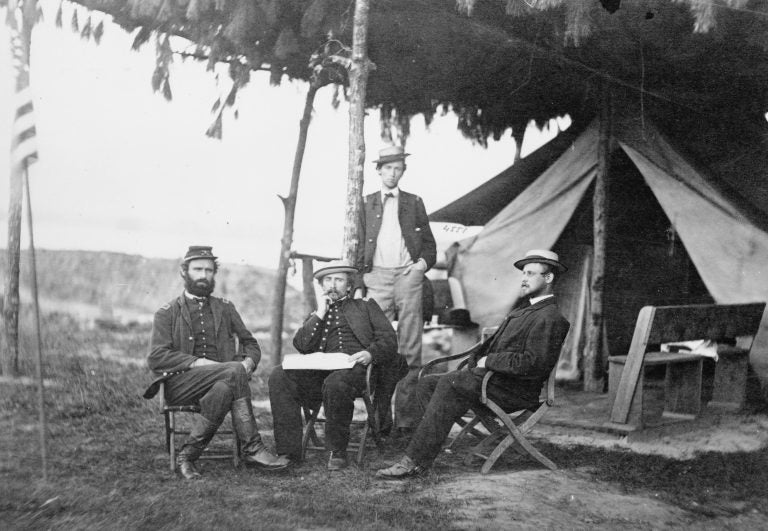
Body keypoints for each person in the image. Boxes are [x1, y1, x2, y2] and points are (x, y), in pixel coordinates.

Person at [375, 249, 571, 479]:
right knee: (427, 384)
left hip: (516, 390)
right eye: (523, 273)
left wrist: (489, 360)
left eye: (531, 273)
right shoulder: (525, 310)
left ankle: (414, 460)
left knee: (450, 382)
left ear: (548, 278)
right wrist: (477, 360)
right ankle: (425, 452)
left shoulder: (550, 317)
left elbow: (533, 364)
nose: (524, 278)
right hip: (497, 381)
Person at [143, 245, 289, 479]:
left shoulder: (225, 308)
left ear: (214, 274)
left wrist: (249, 363)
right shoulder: (167, 312)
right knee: (232, 372)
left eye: (209, 270)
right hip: (181, 385)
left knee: (226, 384)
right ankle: (253, 449)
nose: (203, 275)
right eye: (197, 269)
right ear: (184, 272)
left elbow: (250, 343)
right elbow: (156, 357)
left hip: (223, 384)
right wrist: (198, 363)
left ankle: (187, 456)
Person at [268, 259, 401, 471]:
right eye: (327, 280)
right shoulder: (317, 314)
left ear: (349, 285)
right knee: (279, 375)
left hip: (356, 370)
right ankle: (288, 452)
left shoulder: (366, 306)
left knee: (336, 382)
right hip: (320, 372)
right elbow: (301, 345)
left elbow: (389, 339)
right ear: (321, 286)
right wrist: (320, 312)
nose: (332, 285)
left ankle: (336, 450)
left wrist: (369, 353)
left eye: (338, 280)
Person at [354, 145, 437, 434]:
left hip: (407, 277)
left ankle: (405, 422)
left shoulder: (414, 202)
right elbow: (356, 245)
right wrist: (359, 283)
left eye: (397, 168)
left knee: (411, 349)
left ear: (403, 171)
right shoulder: (365, 203)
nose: (392, 173)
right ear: (378, 170)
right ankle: (378, 419)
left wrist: (420, 267)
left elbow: (429, 243)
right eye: (387, 167)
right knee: (375, 345)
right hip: (375, 278)